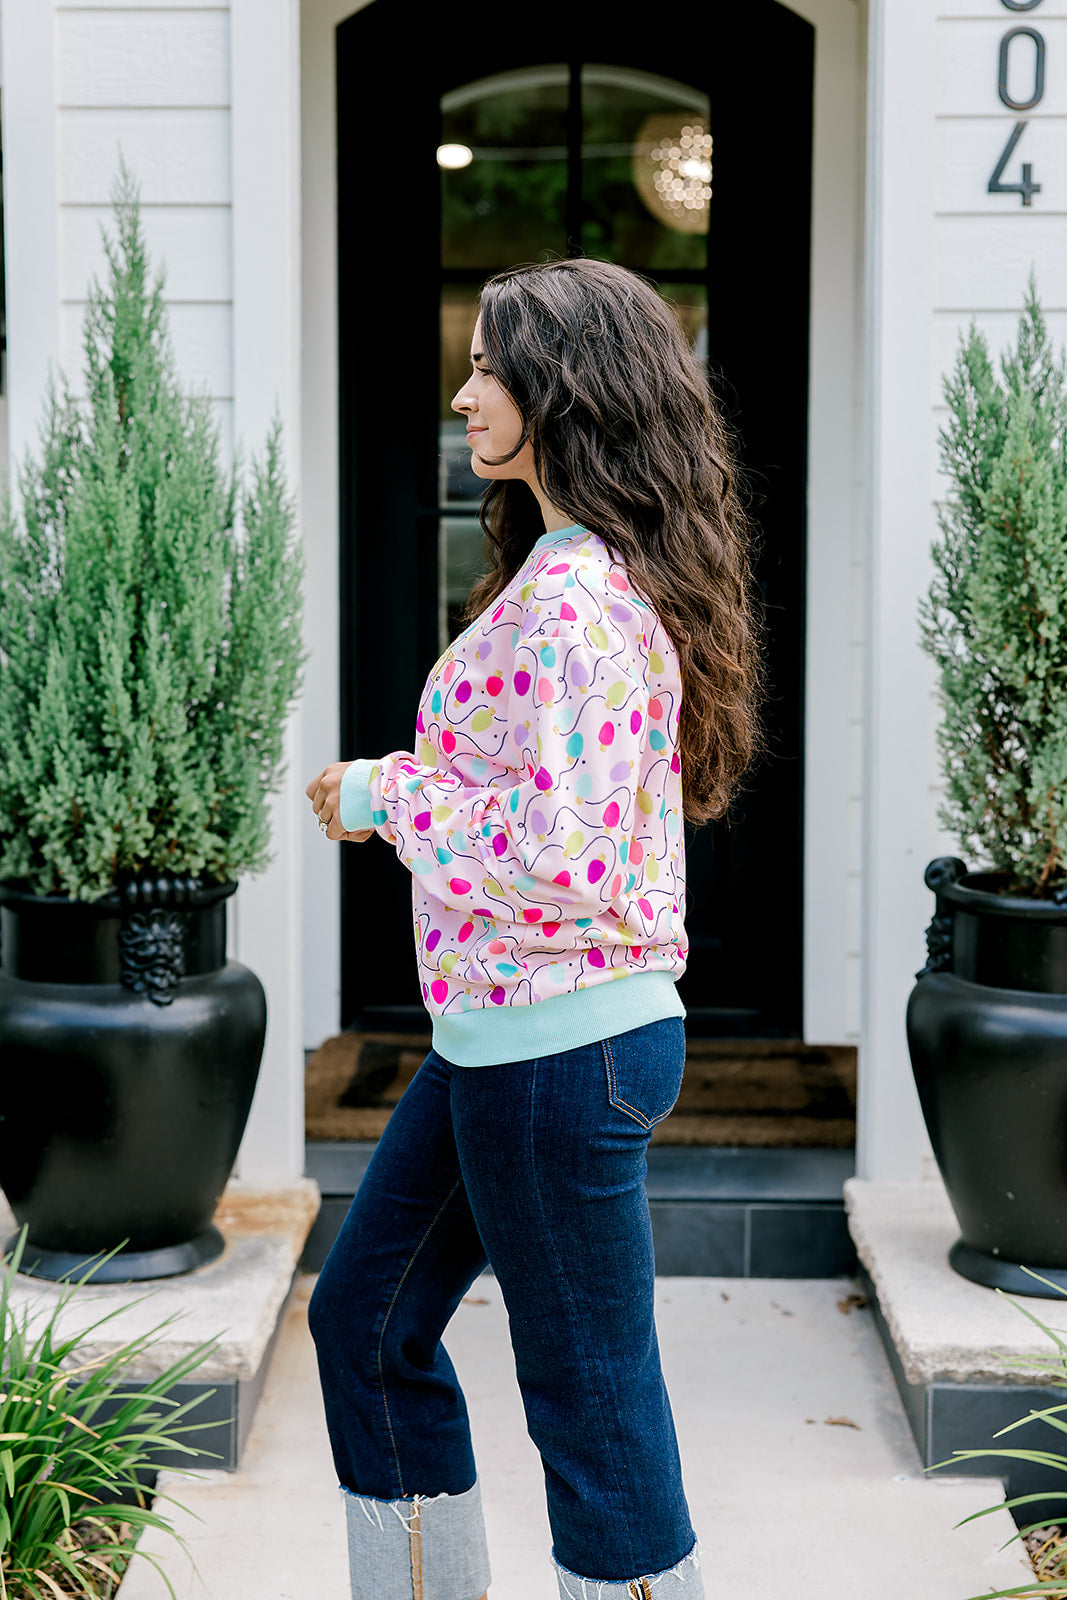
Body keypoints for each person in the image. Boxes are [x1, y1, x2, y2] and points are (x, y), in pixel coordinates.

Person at [305, 257, 762, 1600]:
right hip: (505, 1039)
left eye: (487, 370)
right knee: (365, 1321)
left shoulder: (576, 604)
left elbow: (564, 854)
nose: (463, 396)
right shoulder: (574, 575)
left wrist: (387, 795)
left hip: (560, 1051)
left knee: (591, 1401)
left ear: (564, 390)